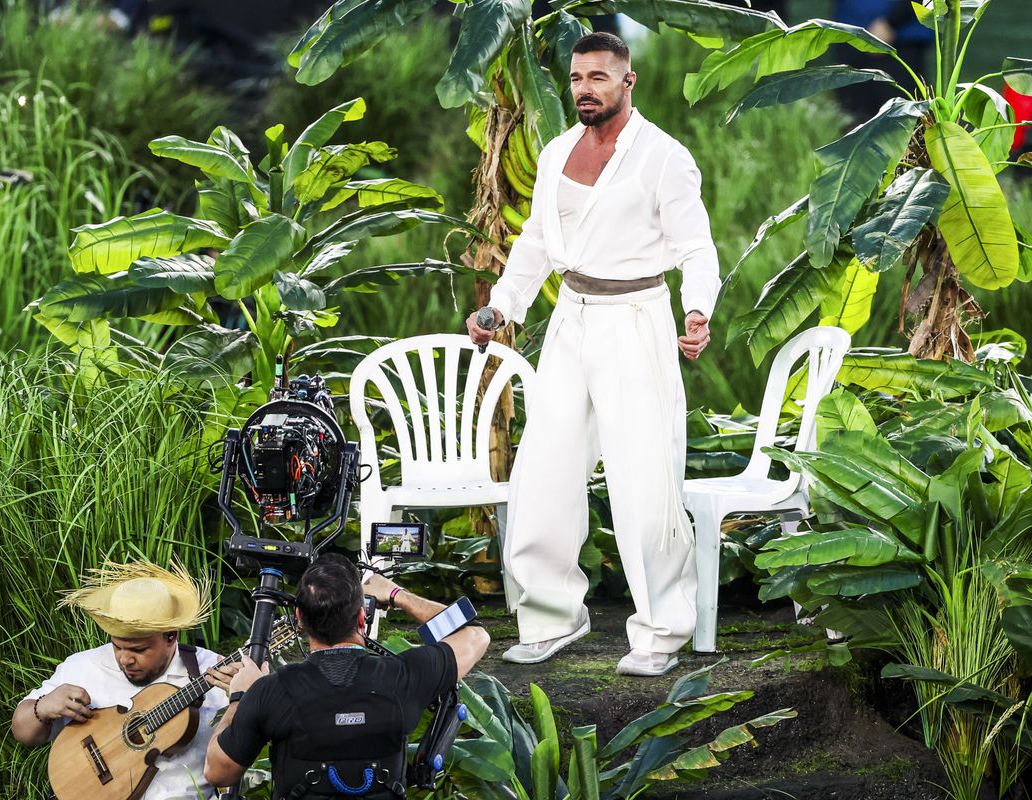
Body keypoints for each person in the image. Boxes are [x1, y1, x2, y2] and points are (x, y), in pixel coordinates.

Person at [466, 32, 719, 677]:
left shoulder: (664, 158)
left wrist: (697, 311)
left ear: (627, 82)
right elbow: (533, 245)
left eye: (599, 77)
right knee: (544, 474)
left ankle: (662, 630)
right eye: (577, 77)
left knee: (644, 481)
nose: (585, 88)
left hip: (637, 319)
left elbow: (697, 247)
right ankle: (552, 617)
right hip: (570, 321)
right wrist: (503, 307)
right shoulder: (555, 154)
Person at [204, 554, 490, 798]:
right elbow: (475, 635)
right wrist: (395, 594)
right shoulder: (404, 677)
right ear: (362, 617)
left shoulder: (272, 691)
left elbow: (218, 773)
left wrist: (241, 696)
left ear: (300, 620)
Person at [11, 561, 241, 800]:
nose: (124, 659)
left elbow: (228, 773)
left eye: (139, 650)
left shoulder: (213, 670)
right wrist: (42, 707)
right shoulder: (83, 666)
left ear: (171, 636)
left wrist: (240, 699)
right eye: (117, 646)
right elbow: (23, 732)